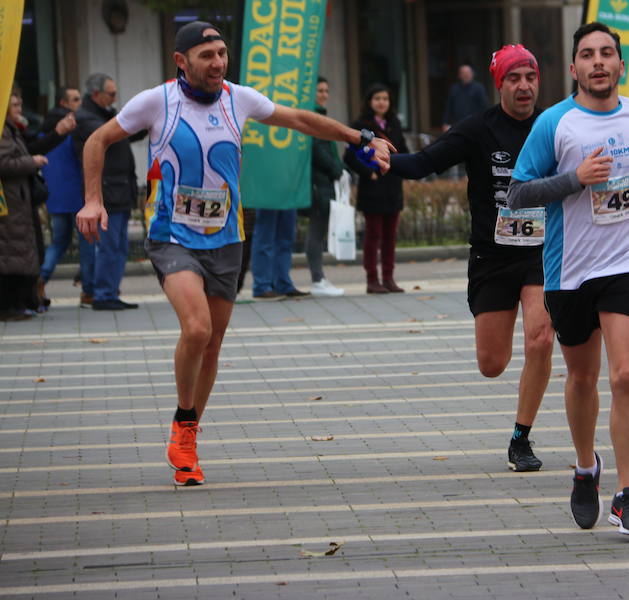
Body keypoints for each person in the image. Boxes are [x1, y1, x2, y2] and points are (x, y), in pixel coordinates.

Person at [76, 21, 393, 486]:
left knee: (214, 342)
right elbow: (95, 140)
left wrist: (359, 137)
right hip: (172, 235)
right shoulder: (156, 102)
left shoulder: (237, 98)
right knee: (198, 328)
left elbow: (302, 120)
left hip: (227, 238)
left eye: (222, 53)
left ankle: (186, 435)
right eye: (207, 55)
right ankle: (185, 419)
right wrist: (92, 198)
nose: (218, 63)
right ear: (181, 61)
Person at [507, 22, 629, 537]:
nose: (598, 62)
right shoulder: (556, 123)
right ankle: (584, 468)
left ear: (620, 65)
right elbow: (516, 194)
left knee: (625, 375)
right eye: (587, 55)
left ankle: (628, 494)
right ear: (574, 68)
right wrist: (573, 180)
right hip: (569, 267)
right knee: (582, 377)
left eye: (607, 53)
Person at [390, 45, 553, 472]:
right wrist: (385, 159)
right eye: (514, 78)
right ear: (499, 84)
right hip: (492, 256)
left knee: (541, 338)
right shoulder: (477, 129)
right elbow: (425, 163)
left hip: (541, 252)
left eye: (530, 78)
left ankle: (521, 437)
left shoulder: (555, 125)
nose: (523, 86)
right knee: (492, 364)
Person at [73, 73, 141, 311]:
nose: (115, 98)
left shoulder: (106, 116)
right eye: (111, 94)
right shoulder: (86, 118)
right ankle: (102, 294)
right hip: (107, 192)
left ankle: (109, 291)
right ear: (96, 94)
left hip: (120, 189)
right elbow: (115, 135)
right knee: (109, 245)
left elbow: (130, 132)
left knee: (119, 246)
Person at [345, 83, 409, 294]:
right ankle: (372, 279)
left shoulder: (395, 123)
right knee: (373, 235)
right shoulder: (360, 126)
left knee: (390, 236)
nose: (382, 102)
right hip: (372, 187)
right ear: (370, 101)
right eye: (377, 98)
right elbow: (349, 157)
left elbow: (403, 151)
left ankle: (389, 278)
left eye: (385, 99)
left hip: (392, 186)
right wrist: (368, 172)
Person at [0, 92, 47, 320]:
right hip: (10, 201)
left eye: (20, 103)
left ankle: (20, 302)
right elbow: (4, 163)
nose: (19, 108)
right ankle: (10, 305)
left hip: (17, 200)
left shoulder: (12, 129)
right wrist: (32, 162)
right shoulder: (4, 131)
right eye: (15, 104)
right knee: (11, 253)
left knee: (18, 251)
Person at [38, 86, 82, 305]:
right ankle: (88, 286)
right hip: (76, 193)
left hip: (54, 196)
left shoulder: (43, 131)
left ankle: (41, 278)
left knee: (59, 242)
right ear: (64, 103)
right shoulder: (70, 130)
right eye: (75, 99)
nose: (79, 103)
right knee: (88, 241)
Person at [305, 76, 344, 297]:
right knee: (316, 232)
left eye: (326, 91)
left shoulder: (319, 115)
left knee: (317, 232)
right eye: (319, 91)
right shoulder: (313, 117)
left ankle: (319, 277)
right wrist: (336, 170)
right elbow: (318, 149)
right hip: (317, 184)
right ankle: (317, 279)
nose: (323, 95)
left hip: (323, 183)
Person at [442, 64, 490, 132]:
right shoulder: (454, 89)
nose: (466, 75)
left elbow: (485, 107)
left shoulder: (479, 88)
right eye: (464, 73)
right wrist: (445, 122)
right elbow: (448, 107)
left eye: (468, 73)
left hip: (474, 125)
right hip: (457, 124)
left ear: (472, 74)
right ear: (459, 75)